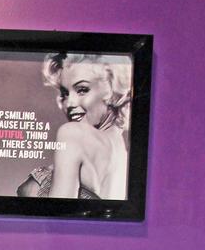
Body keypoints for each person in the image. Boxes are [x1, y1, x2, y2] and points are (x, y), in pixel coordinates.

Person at [16, 53, 132, 200]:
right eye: (65, 93)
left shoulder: (72, 134)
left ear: (113, 90)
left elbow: (58, 217)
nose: (69, 103)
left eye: (82, 89)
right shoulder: (123, 156)